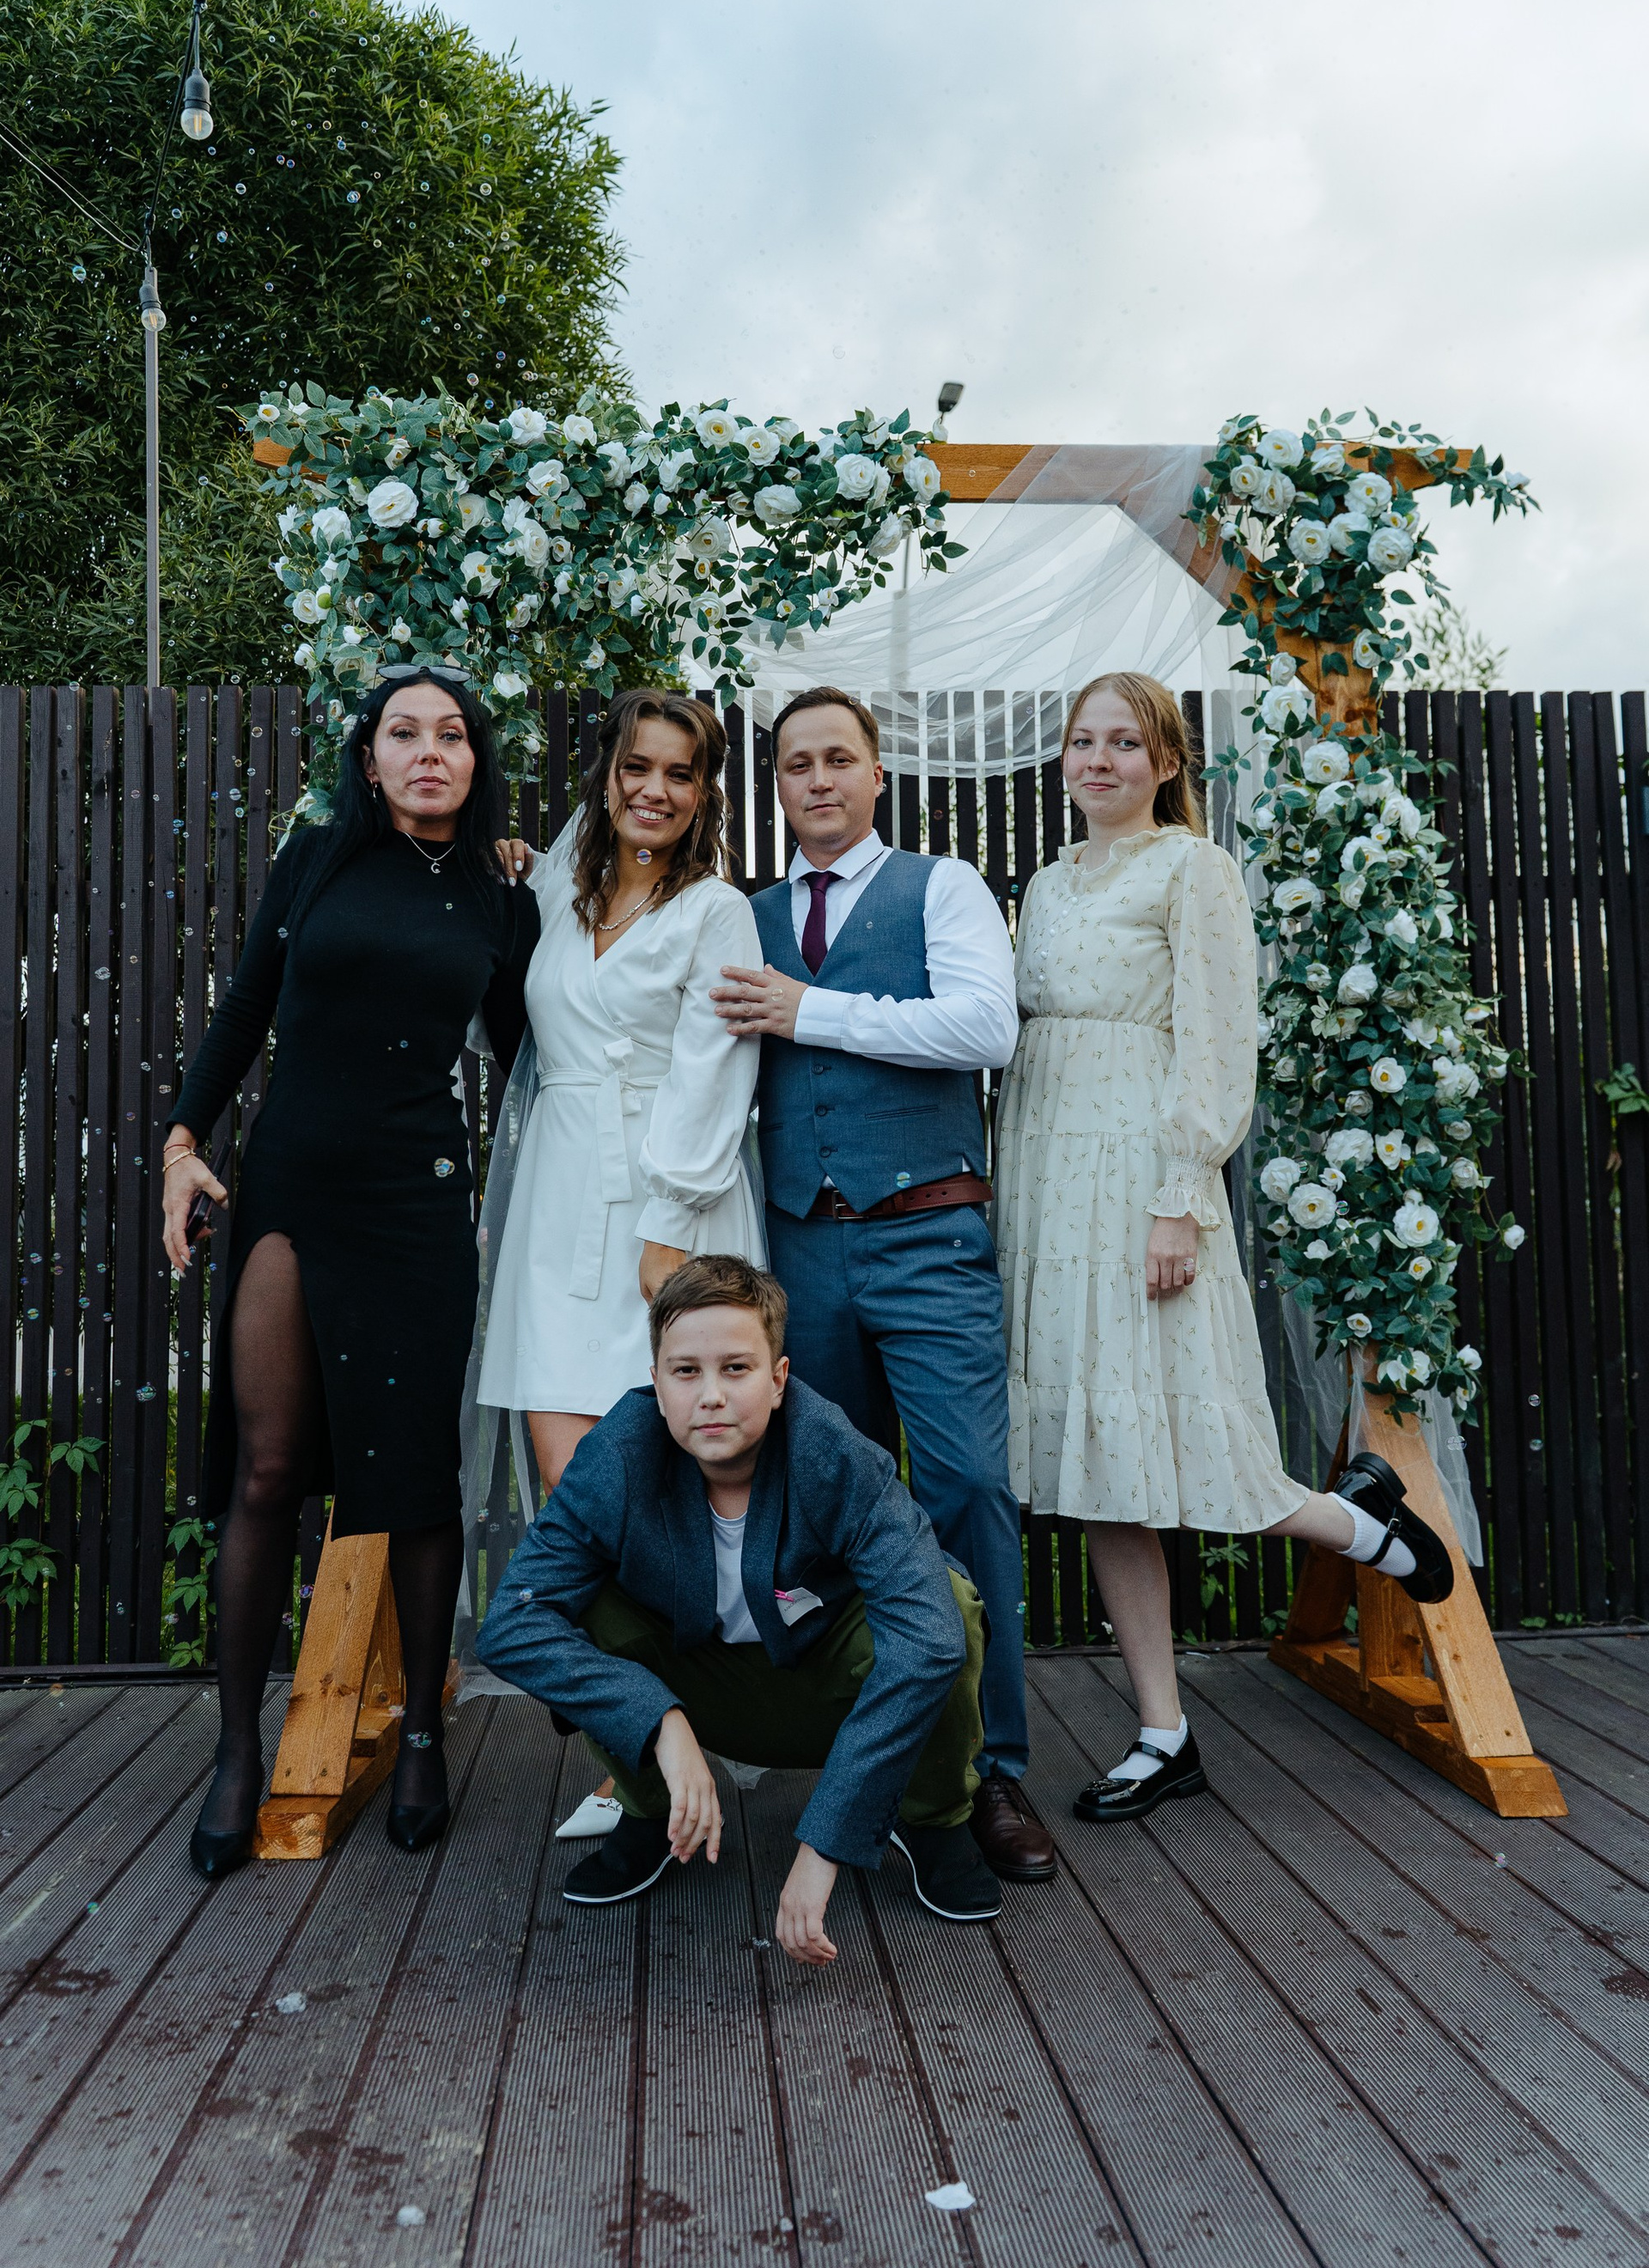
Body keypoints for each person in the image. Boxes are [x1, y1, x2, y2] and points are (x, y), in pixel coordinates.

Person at [992, 670, 1455, 1820]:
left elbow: (1214, 1041)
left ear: (1165, 762)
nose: (1098, 761)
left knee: (1201, 1446)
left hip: (1138, 1182)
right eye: (1083, 742)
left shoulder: (1192, 869)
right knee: (1100, 1469)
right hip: (1047, 1181)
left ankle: (1362, 1524)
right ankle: (1166, 1734)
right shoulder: (1044, 883)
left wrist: (1179, 1196)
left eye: (1124, 743)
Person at [161, 668, 539, 1878]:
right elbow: (245, 1009)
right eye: (403, 733)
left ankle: (421, 1732)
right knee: (269, 1468)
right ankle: (237, 1750)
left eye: (451, 735)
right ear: (368, 756)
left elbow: (539, 1057)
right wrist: (181, 1145)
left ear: (476, 760)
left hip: (417, 1203)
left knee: (415, 1478)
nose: (429, 752)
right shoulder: (316, 858)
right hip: (291, 1187)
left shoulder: (501, 895)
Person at [709, 686, 1056, 1885]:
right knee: (828, 1507)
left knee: (966, 1489)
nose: (817, 780)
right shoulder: (745, 914)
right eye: (795, 764)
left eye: (837, 759)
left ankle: (989, 1766)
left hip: (927, 1235)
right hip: (800, 1250)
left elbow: (984, 1029)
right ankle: (870, 1754)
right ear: (777, 786)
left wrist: (812, 1010)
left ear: (875, 775)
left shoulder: (941, 888)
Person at [475, 1254, 1001, 1957]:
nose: (711, 1396)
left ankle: (932, 1819)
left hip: (833, 1694)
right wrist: (660, 1724)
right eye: (686, 1372)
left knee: (951, 1608)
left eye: (736, 1368)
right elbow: (511, 1622)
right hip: (694, 1690)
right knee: (583, 1604)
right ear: (657, 1383)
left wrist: (826, 1845)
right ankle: (652, 1808)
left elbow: (930, 1640)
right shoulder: (618, 1456)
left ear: (778, 1380)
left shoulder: (836, 1454)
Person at [478, 689, 764, 1841]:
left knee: (679, 1484)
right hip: (557, 1198)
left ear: (704, 793)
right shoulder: (557, 889)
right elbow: (508, 1005)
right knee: (571, 1487)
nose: (654, 788)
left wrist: (671, 1223)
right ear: (605, 777)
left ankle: (689, 1739)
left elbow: (716, 1069)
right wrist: (505, 867)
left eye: (679, 772)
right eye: (636, 766)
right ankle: (637, 1731)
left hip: (667, 1199)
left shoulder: (716, 912)